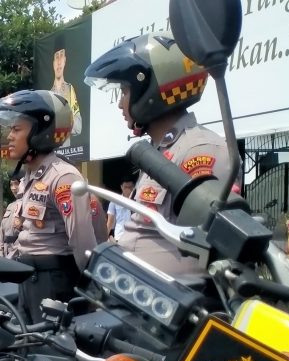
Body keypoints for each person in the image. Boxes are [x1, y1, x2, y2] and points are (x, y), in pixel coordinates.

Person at [85, 32, 233, 276]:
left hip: (171, 302)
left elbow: (206, 250)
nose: (120, 104)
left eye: (124, 91)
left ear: (150, 90)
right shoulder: (163, 151)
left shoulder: (199, 151)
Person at [0, 90, 97, 322]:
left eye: (17, 129)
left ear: (40, 132)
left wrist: (91, 293)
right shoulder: (31, 177)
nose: (9, 136)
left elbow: (82, 242)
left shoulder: (63, 177)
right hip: (29, 278)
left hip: (55, 282)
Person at [51, 35, 83, 147]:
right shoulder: (48, 95)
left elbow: (78, 127)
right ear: (53, 62)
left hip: (66, 153)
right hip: (51, 152)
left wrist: (59, 123)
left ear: (65, 60)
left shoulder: (70, 90)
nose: (59, 62)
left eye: (61, 56)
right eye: (56, 57)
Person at [0, 172, 25, 259]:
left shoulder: (28, 206)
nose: (13, 188)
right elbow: (1, 234)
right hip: (4, 255)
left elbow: (26, 235)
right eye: (11, 184)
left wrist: (10, 257)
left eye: (16, 184)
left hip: (19, 255)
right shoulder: (10, 206)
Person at [107, 177, 136, 241]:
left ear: (134, 187)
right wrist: (105, 237)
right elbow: (110, 222)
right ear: (121, 187)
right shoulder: (115, 201)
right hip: (119, 236)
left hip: (133, 238)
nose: (128, 189)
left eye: (130, 187)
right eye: (126, 187)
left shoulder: (138, 201)